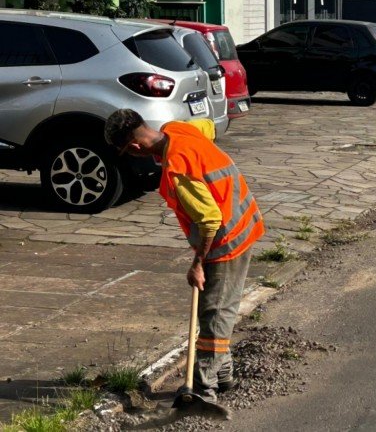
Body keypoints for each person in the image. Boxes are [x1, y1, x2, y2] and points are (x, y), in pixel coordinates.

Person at [104, 109, 265, 403]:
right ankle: (225, 375)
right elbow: (209, 126)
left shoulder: (178, 170)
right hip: (244, 220)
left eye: (126, 151)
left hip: (225, 240)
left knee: (215, 314)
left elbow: (209, 220)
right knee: (218, 307)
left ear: (136, 146)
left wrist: (198, 264)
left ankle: (204, 390)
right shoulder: (179, 129)